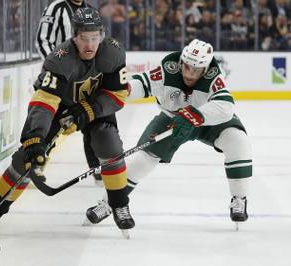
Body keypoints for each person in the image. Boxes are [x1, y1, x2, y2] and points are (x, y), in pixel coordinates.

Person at [0, 7, 134, 233]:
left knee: (109, 145)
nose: (90, 45)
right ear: (74, 36)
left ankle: (119, 206)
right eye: (83, 38)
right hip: (61, 108)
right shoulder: (59, 59)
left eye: (94, 38)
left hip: (95, 109)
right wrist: (34, 138)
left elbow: (117, 96)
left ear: (102, 35)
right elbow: (44, 101)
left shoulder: (113, 52)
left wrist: (87, 110)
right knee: (26, 159)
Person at [85, 39, 252, 227]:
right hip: (172, 119)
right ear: (181, 62)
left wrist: (193, 116)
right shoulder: (169, 68)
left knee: (238, 141)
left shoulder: (214, 75)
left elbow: (226, 106)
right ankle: (107, 203)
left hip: (206, 119)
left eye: (196, 70)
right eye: (187, 67)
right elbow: (143, 83)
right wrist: (122, 90)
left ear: (205, 69)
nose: (189, 74)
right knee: (142, 161)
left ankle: (239, 198)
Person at [36, 0, 104, 186]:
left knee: (91, 120)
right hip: (60, 79)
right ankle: (35, 163)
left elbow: (98, 43)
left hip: (85, 79)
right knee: (51, 122)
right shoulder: (56, 7)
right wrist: (57, 67)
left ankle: (97, 167)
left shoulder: (90, 11)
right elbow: (43, 39)